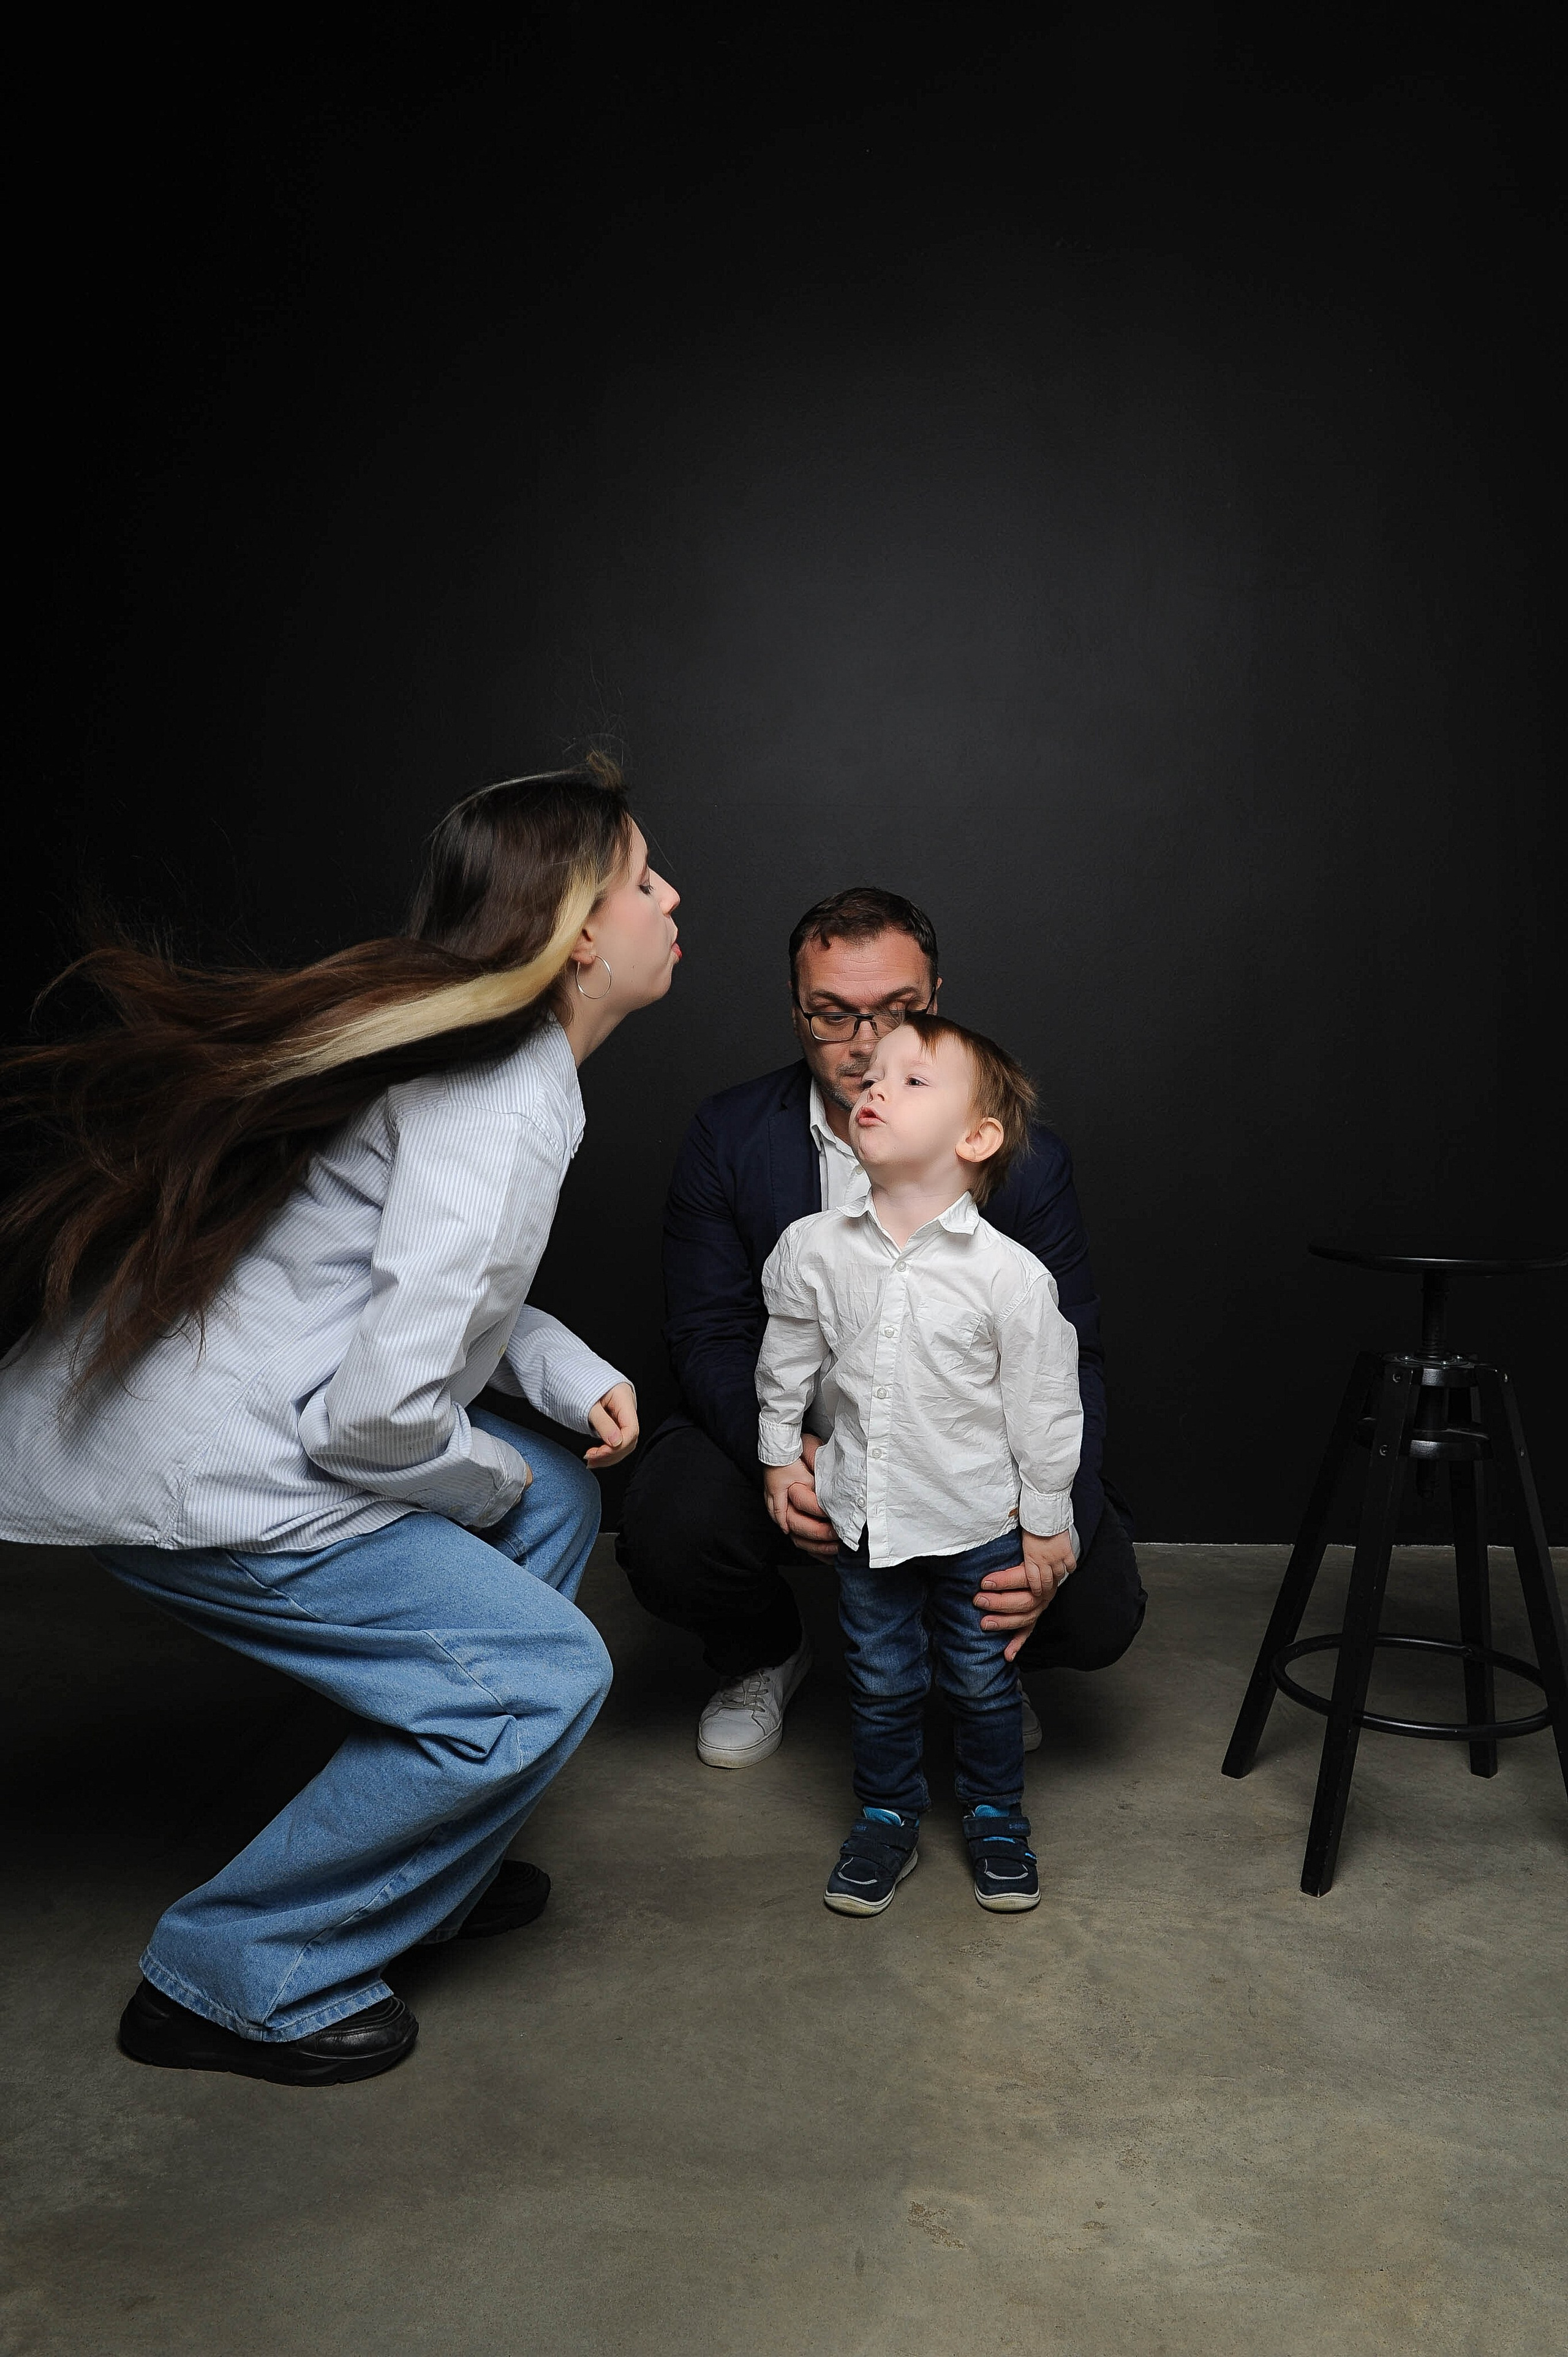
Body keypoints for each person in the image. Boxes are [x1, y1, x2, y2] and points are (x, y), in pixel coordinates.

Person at [0, 761, 680, 2084]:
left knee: (555, 1490)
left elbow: (388, 1283)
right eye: (643, 877)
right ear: (579, 929)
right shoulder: (501, 1098)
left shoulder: (488, 1056)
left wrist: (556, 1369)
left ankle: (421, 1867)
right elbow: (375, 1420)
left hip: (238, 1422)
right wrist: (482, 1482)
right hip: (214, 1472)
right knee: (544, 1673)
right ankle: (227, 1975)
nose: (671, 896)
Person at [617, 885, 1144, 1768]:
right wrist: (776, 1456)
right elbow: (707, 1331)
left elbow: (1070, 1360)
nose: (865, 1045)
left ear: (934, 1001)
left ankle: (980, 1668)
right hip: (803, 1441)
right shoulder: (730, 1133)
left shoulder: (1023, 1161)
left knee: (1097, 1607)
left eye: (896, 1013)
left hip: (962, 1450)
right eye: (833, 1016)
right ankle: (765, 1653)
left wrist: (1057, 1534)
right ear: (797, 1017)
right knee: (670, 1527)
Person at [758, 1013, 1082, 1915]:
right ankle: (888, 1815)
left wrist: (1047, 1522)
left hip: (977, 1523)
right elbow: (784, 1361)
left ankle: (993, 1814)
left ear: (976, 1138)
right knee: (881, 1678)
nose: (873, 1086)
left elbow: (1047, 1406)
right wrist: (778, 1457)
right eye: (871, 1079)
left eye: (909, 1081)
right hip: (866, 1518)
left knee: (982, 1683)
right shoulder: (814, 1249)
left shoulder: (1011, 1278)